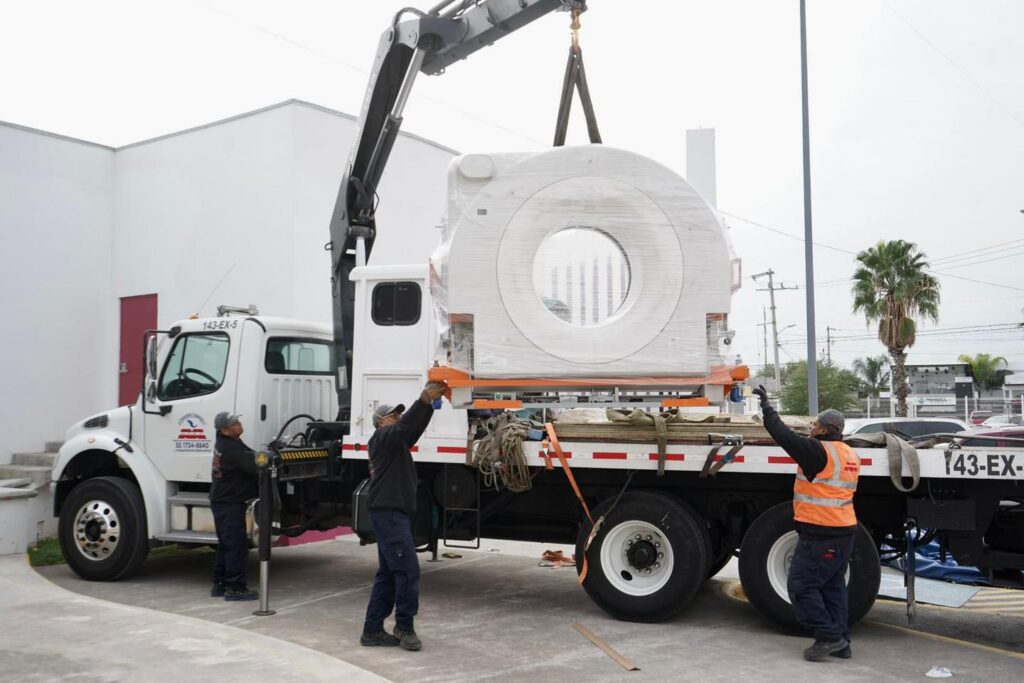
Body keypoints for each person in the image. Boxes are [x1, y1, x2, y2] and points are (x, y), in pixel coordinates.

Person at [753, 385, 861, 662]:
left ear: (825, 429)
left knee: (800, 587)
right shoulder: (848, 453)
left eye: (814, 425)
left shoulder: (817, 452)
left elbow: (783, 436)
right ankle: (842, 641)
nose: (810, 428)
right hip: (843, 530)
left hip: (821, 534)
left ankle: (828, 636)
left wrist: (767, 408)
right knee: (832, 587)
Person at [360, 381, 447, 651]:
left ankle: (372, 630)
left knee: (388, 573)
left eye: (399, 413)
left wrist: (429, 408)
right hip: (389, 515)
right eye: (393, 415)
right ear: (380, 422)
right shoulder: (382, 439)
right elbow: (406, 427)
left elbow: (412, 429)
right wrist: (422, 400)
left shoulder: (394, 442)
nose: (398, 417)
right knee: (408, 572)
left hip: (391, 514)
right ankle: (404, 626)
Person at [210, 411, 259, 601]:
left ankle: (219, 584)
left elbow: (250, 454)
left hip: (223, 501)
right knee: (236, 545)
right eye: (235, 423)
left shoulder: (228, 443)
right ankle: (235, 588)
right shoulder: (231, 448)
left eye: (238, 421)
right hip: (228, 502)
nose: (239, 425)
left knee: (225, 544)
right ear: (225, 430)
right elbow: (253, 465)